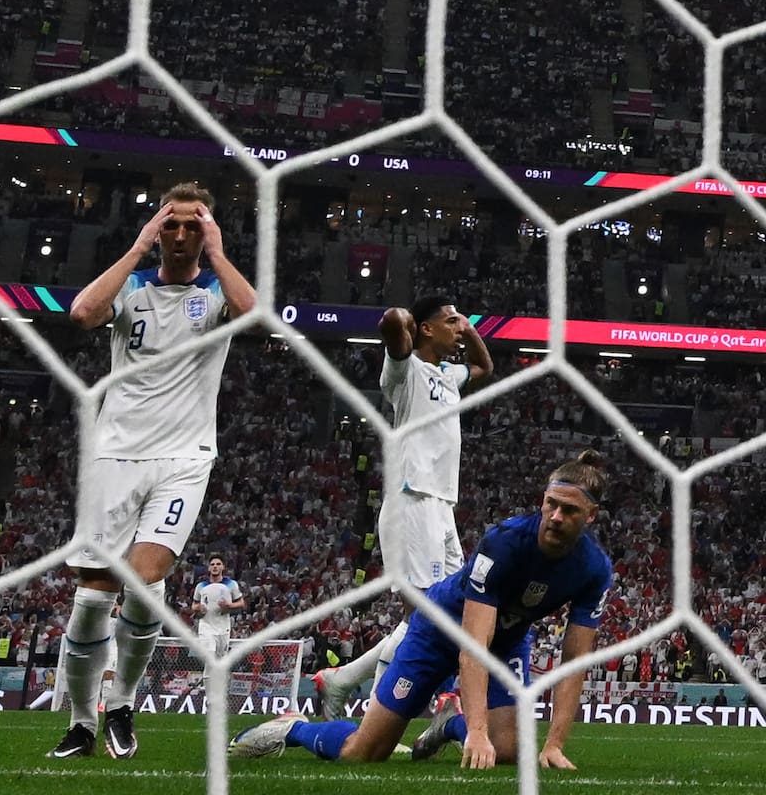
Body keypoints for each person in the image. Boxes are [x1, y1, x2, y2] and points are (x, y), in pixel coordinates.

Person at [230, 451, 612, 770]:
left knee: (510, 753)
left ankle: (449, 725)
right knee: (364, 754)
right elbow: (473, 645)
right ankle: (293, 728)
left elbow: (574, 663)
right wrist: (478, 732)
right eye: (551, 504)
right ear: (542, 500)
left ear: (591, 516)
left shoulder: (594, 569)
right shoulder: (505, 542)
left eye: (570, 510)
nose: (556, 517)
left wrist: (554, 745)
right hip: (439, 631)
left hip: (505, 644)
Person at [47, 182, 256, 760]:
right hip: (114, 453)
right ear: (157, 227)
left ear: (208, 231)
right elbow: (83, 313)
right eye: (173, 224)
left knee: (144, 580)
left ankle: (122, 704)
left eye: (194, 225)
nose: (182, 234)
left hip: (184, 458)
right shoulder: (134, 286)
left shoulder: (215, 293)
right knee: (92, 598)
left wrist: (218, 252)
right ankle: (83, 723)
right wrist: (137, 247)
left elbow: (256, 317)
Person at [315, 295, 492, 719]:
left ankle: (340, 680)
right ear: (426, 329)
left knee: (451, 609)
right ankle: (402, 710)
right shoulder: (404, 370)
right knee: (429, 615)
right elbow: (393, 322)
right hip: (412, 499)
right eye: (450, 322)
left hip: (441, 504)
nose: (459, 328)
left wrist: (467, 327)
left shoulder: (448, 375)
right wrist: (410, 321)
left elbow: (486, 369)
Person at [191, 554, 246, 661]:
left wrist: (229, 605)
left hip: (223, 626)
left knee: (220, 659)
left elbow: (241, 603)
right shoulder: (201, 586)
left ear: (223, 567)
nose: (215, 566)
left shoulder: (231, 584)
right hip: (206, 626)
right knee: (209, 655)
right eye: (212, 564)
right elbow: (194, 605)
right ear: (209, 568)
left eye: (218, 564)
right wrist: (199, 607)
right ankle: (207, 678)